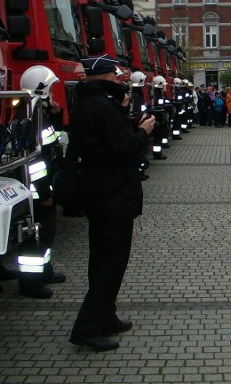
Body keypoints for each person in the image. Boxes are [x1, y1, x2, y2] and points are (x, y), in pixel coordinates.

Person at [69, 54, 155, 352]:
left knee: (101, 258)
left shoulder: (84, 102)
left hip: (97, 191)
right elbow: (125, 150)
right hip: (112, 193)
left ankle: (106, 316)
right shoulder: (103, 108)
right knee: (111, 263)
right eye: (115, 76)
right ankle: (87, 328)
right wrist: (143, 131)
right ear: (106, 77)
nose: (120, 79)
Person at [16, 65, 67, 299]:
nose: (54, 94)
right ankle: (30, 283)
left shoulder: (39, 114)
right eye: (52, 90)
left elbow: (51, 142)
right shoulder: (30, 117)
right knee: (33, 238)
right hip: (35, 192)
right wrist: (44, 193)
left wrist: (55, 116)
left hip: (43, 188)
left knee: (46, 234)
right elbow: (35, 163)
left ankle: (44, 271)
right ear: (42, 91)